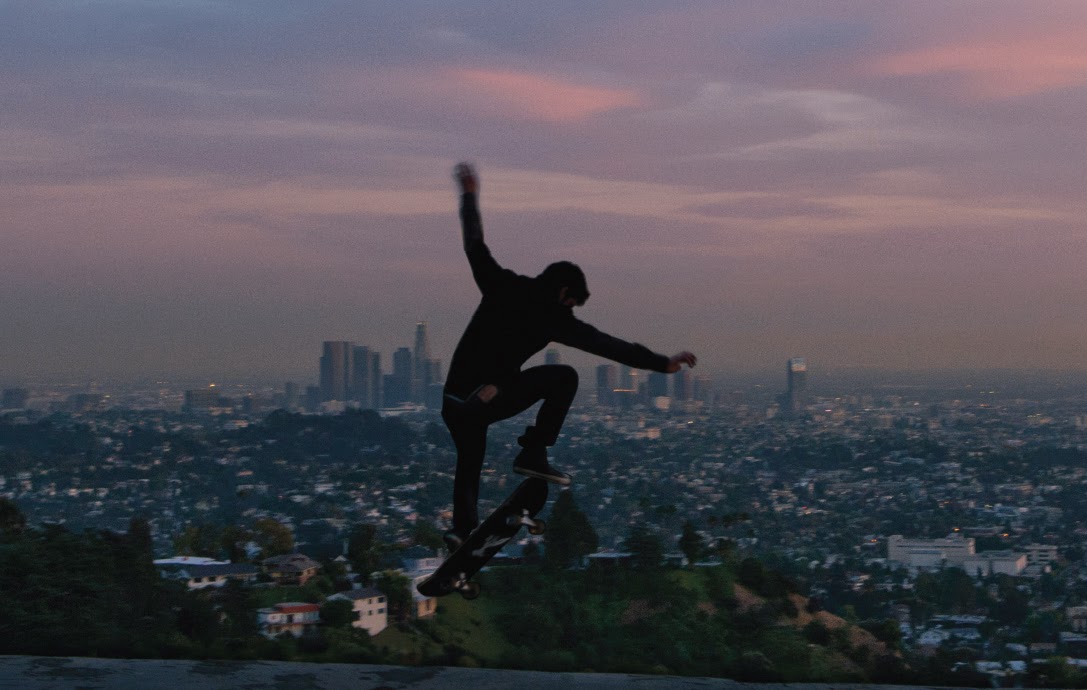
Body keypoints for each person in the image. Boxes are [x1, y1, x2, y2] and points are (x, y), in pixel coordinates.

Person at [441, 162, 697, 551]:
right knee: (565, 377)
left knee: (470, 459)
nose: (573, 310)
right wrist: (663, 364)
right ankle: (533, 451)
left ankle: (463, 531)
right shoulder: (554, 317)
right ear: (563, 293)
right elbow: (609, 345)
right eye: (573, 303)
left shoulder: (501, 284)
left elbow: (474, 244)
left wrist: (470, 196)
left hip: (455, 400)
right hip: (482, 397)